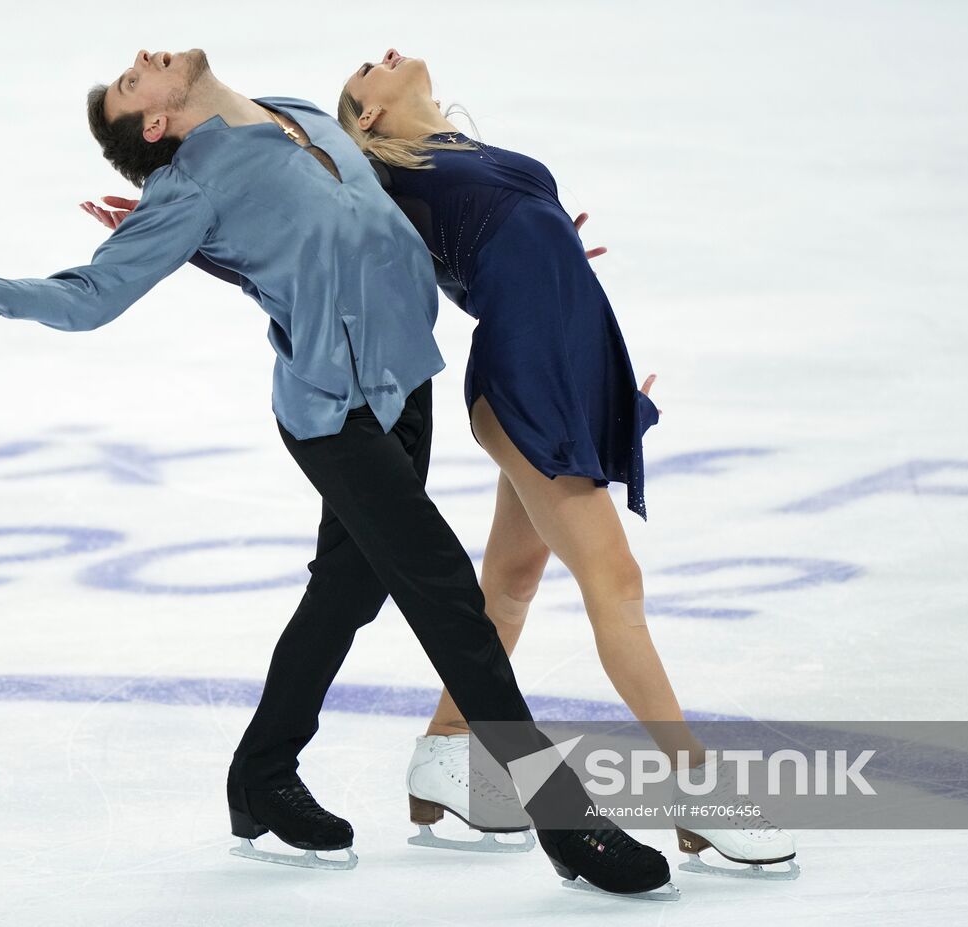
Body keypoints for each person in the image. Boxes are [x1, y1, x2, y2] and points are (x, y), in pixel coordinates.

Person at [0, 46, 674, 896]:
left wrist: (537, 257)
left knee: (347, 588)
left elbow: (384, 228)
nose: (143, 60)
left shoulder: (296, 108)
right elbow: (91, 296)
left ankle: (262, 774)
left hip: (406, 384)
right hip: (334, 416)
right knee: (443, 586)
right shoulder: (187, 185)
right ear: (156, 122)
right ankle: (563, 821)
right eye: (131, 81)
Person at [333, 47, 797, 876]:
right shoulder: (380, 178)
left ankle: (444, 751)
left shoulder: (466, 154)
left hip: (562, 358)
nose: (385, 56)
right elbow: (284, 198)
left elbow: (516, 241)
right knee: (615, 581)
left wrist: (548, 253)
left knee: (511, 584)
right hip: (522, 373)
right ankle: (695, 791)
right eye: (366, 69)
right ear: (366, 117)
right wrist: (185, 232)